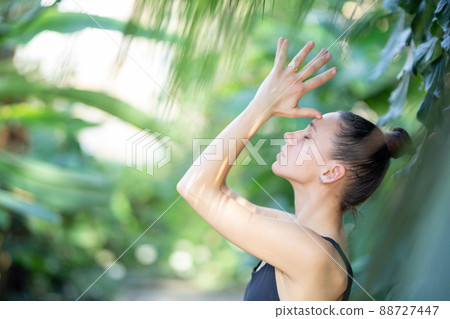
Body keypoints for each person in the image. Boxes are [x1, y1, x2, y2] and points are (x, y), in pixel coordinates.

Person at [177, 37, 414, 301]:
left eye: (308, 137)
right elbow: (214, 189)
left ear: (331, 172)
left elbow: (194, 188)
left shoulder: (312, 254)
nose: (291, 136)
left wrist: (262, 106)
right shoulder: (298, 231)